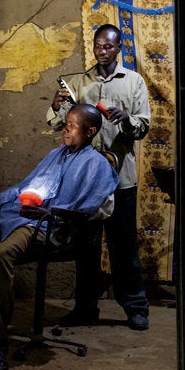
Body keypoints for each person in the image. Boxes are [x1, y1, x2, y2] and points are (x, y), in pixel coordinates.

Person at [0, 103, 119, 370]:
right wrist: (15, 201)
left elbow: (84, 210)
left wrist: (46, 211)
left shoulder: (97, 165)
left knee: (2, 255)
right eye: (66, 123)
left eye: (72, 126)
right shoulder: (56, 155)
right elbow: (30, 185)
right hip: (18, 217)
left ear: (90, 132)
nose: (65, 128)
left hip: (48, 228)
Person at [47, 24, 152, 331]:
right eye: (97, 46)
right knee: (86, 249)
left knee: (124, 247)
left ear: (119, 48)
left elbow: (143, 127)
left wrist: (126, 119)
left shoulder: (133, 82)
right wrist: (56, 108)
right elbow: (58, 123)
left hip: (120, 180)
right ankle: (84, 309)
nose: (102, 52)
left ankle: (135, 307)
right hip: (85, 183)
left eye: (108, 47)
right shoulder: (79, 83)